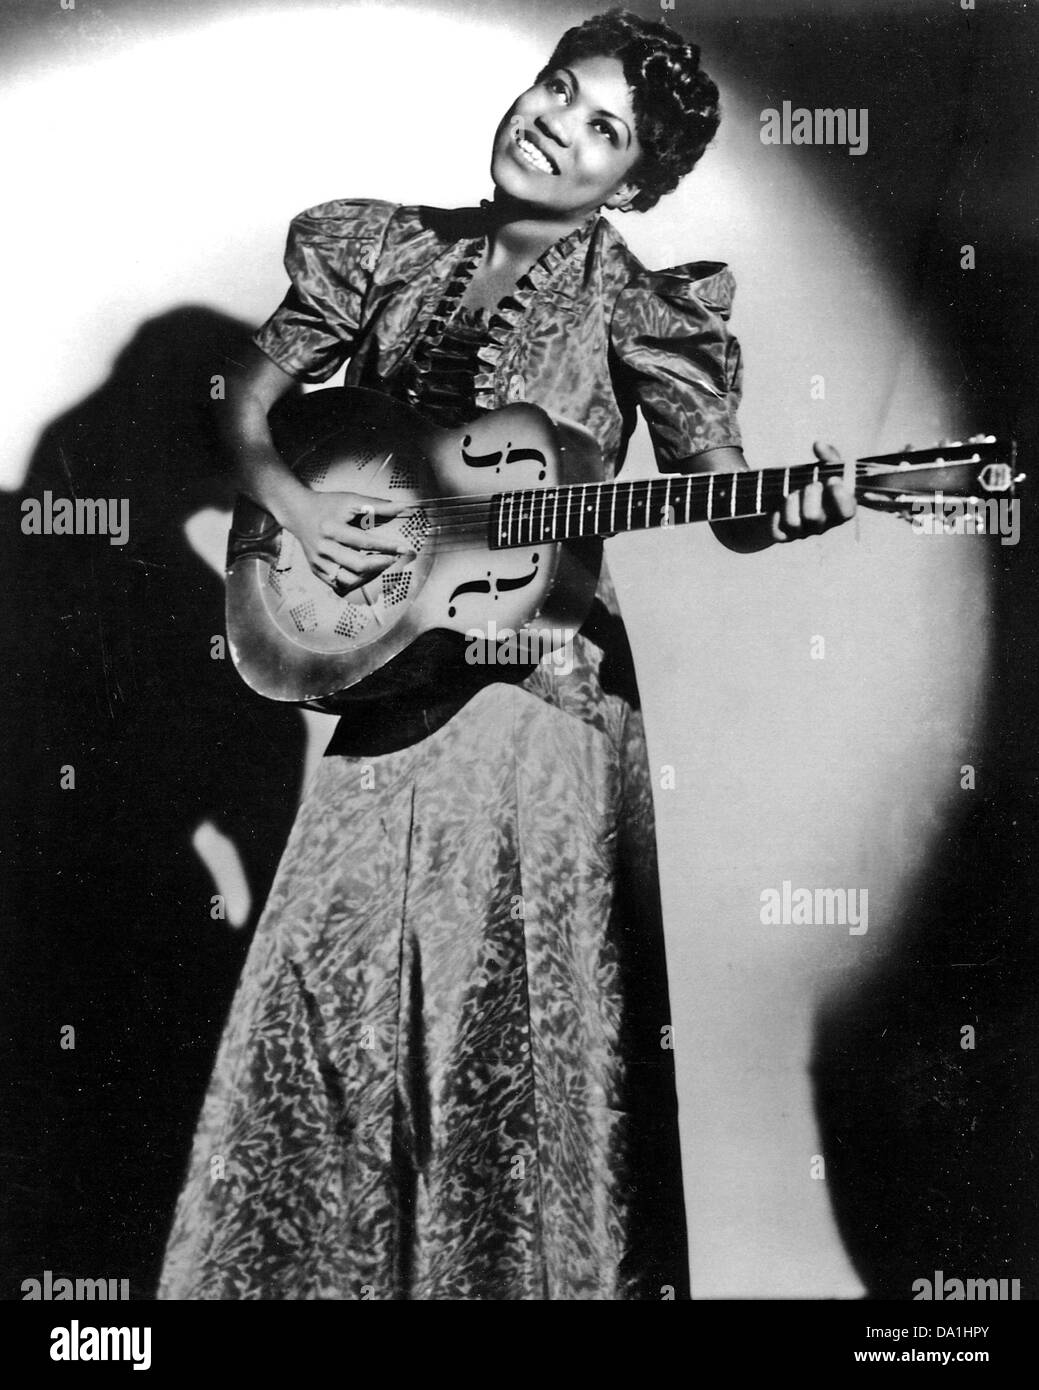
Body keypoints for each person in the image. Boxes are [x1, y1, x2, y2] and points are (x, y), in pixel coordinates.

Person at [158, 7, 854, 1302]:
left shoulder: (648, 306)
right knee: (332, 995)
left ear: (634, 180)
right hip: (383, 702)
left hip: (539, 713)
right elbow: (242, 405)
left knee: (513, 1032)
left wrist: (793, 506)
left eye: (605, 132)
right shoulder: (376, 246)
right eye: (556, 91)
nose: (559, 130)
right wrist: (302, 512)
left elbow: (727, 492)